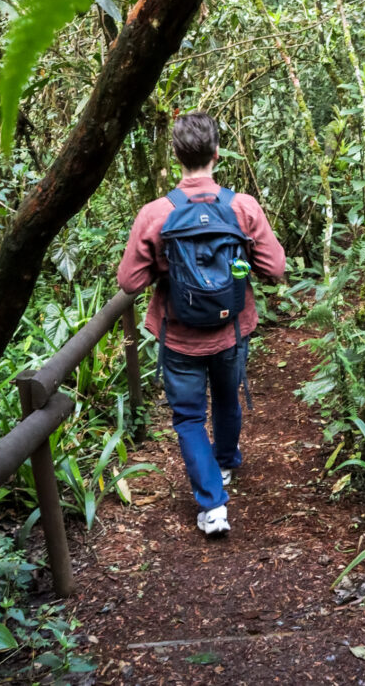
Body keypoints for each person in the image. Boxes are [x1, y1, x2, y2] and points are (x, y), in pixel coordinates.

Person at [117, 111, 286, 536]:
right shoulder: (241, 207)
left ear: (176, 156)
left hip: (179, 335)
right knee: (227, 399)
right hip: (231, 330)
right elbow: (276, 269)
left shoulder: (156, 213)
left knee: (189, 417)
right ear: (216, 154)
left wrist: (165, 267)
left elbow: (129, 282)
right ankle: (225, 463)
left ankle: (212, 507)